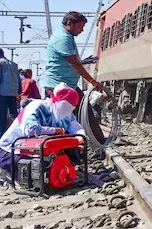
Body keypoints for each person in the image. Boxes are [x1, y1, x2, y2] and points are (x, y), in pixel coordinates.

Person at [0, 84, 86, 179]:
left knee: (72, 152)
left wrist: (80, 137)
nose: (66, 112)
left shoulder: (67, 115)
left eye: (70, 109)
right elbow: (30, 130)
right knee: (32, 170)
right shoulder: (38, 106)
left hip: (41, 151)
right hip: (11, 149)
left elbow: (76, 128)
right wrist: (55, 131)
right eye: (65, 107)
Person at [43, 11, 107, 143]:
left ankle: (99, 143)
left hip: (67, 86)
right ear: (69, 24)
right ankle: (95, 144)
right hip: (58, 87)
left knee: (85, 113)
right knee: (65, 119)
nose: (82, 30)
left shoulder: (66, 36)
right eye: (80, 27)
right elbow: (73, 62)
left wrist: (83, 62)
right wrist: (92, 81)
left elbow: (70, 62)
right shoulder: (63, 38)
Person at [0, 48, 20, 141]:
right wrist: (18, 92)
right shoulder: (14, 64)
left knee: (1, 115)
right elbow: (18, 80)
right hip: (13, 93)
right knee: (14, 114)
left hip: (2, 93)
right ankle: (17, 132)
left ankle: (1, 135)